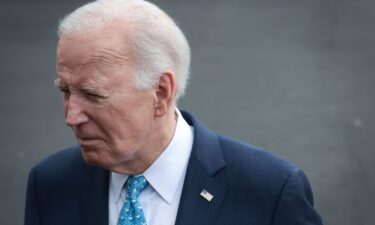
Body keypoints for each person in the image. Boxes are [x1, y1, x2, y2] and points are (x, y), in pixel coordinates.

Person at [24, 0, 323, 225]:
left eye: (93, 94)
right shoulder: (49, 185)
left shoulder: (270, 190)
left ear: (161, 92)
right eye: (65, 91)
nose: (71, 116)